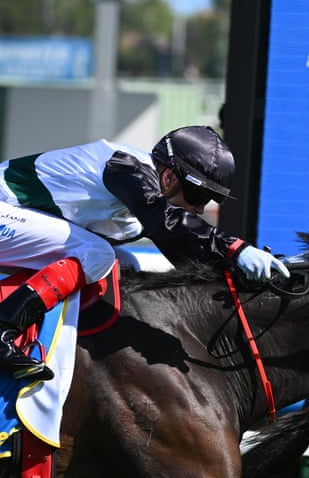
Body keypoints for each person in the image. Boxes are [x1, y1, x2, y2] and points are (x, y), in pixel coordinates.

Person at [0, 125, 289, 380]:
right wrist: (235, 249)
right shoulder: (126, 168)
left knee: (127, 264)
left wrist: (238, 272)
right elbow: (168, 222)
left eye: (208, 200)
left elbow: (185, 250)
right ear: (168, 178)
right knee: (98, 253)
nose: (201, 209)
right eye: (199, 195)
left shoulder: (145, 196)